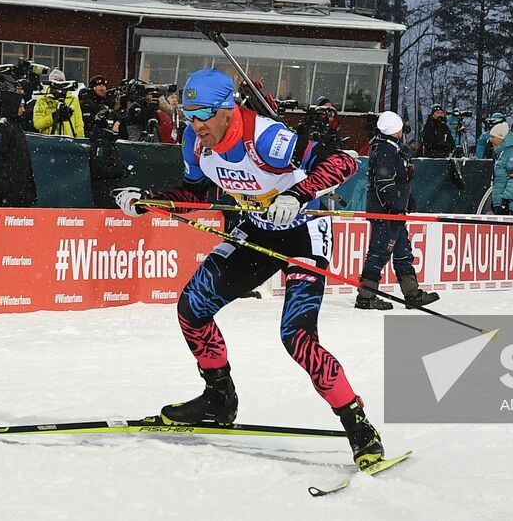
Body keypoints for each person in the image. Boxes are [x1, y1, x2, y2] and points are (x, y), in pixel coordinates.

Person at [113, 68, 381, 469]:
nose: (195, 123)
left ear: (227, 110)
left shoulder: (265, 137)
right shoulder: (194, 143)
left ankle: (359, 427)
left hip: (302, 232)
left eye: (203, 113)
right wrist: (152, 200)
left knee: (297, 337)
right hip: (255, 231)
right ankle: (218, 396)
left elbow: (343, 163)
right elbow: (197, 193)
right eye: (188, 114)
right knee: (192, 308)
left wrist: (298, 192)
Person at [356, 110, 439, 311]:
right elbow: (384, 182)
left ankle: (411, 293)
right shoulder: (385, 150)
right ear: (395, 129)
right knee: (379, 252)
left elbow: (398, 181)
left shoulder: (392, 149)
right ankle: (366, 296)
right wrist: (394, 205)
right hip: (386, 212)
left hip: (394, 212)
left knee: (402, 251)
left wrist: (406, 201)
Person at [0, 89, 37, 207]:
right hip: (8, 191)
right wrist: (5, 187)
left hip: (19, 187)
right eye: (20, 106)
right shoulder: (2, 126)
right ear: (12, 106)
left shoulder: (15, 126)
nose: (23, 110)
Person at [87, 111, 129, 207]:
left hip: (109, 189)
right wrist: (118, 170)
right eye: (116, 123)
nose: (118, 126)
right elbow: (98, 170)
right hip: (105, 191)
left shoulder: (108, 142)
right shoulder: (101, 144)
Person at [33, 69, 85, 138]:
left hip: (69, 141)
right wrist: (53, 117)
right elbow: (37, 124)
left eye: (60, 81)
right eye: (55, 81)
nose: (58, 84)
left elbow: (79, 125)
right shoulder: (42, 100)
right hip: (50, 142)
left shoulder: (73, 100)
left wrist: (80, 141)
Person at [489, 122, 513, 214]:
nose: (491, 140)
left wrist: (506, 199)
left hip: (511, 206)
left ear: (501, 137)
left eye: (493, 137)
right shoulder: (503, 153)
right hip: (502, 203)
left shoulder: (512, 153)